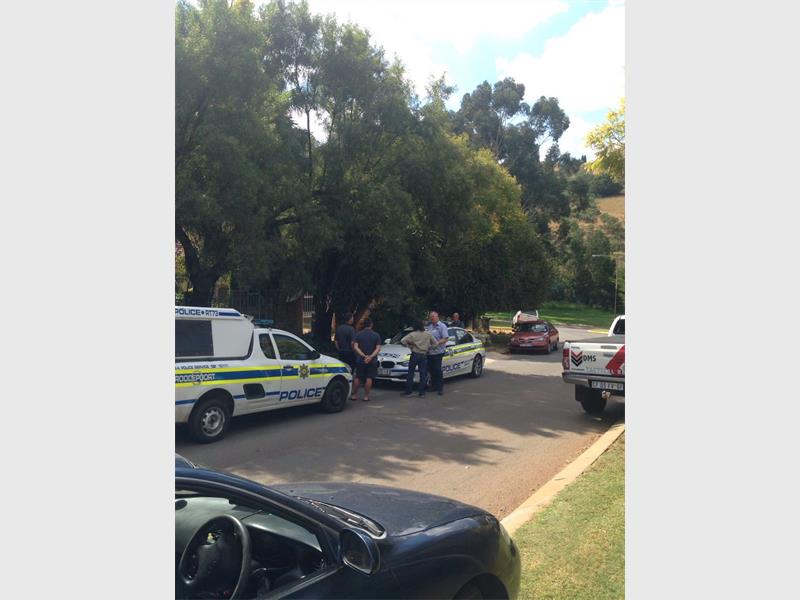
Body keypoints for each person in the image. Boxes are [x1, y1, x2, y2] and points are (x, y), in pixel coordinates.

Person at [400, 320, 438, 397]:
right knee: (423, 374)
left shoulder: (413, 334)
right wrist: (429, 348)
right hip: (424, 355)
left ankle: (408, 391)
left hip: (415, 354)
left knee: (410, 373)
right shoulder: (428, 334)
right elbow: (436, 344)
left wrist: (410, 346)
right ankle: (422, 393)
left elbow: (403, 341)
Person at [351, 318, 381, 402]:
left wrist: (364, 356)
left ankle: (354, 395)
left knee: (358, 377)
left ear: (364, 325)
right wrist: (370, 357)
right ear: (371, 325)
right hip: (372, 360)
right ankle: (366, 396)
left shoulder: (358, 334)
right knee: (369, 377)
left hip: (360, 359)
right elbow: (378, 348)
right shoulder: (376, 335)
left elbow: (356, 347)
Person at [425, 311, 450, 396]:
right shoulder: (429, 327)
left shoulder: (442, 326)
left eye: (433, 316)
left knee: (437, 370)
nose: (432, 318)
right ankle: (433, 386)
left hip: (438, 352)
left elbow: (445, 338)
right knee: (431, 370)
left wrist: (437, 343)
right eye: (431, 317)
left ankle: (440, 388)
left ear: (437, 317)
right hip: (429, 352)